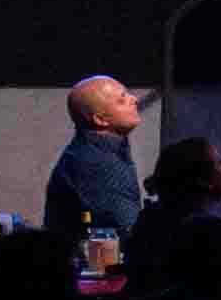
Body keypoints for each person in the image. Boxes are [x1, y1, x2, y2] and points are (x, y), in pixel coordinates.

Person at [42, 74, 145, 255]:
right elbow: (130, 229)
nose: (134, 100)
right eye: (122, 100)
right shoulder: (96, 162)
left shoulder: (101, 151)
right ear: (100, 120)